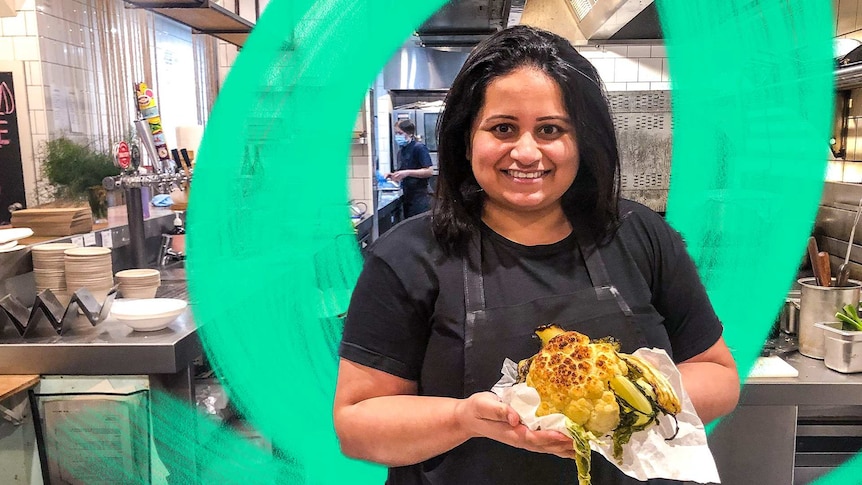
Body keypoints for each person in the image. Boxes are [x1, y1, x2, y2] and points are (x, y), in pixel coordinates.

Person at [334, 25, 739, 485]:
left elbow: (718, 376)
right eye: (503, 128)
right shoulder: (408, 256)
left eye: (550, 130)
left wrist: (620, 403)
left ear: (583, 142)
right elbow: (357, 426)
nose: (526, 153)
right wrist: (462, 419)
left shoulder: (639, 234)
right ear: (467, 138)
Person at [387, 119, 434, 218]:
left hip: (421, 198)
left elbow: (429, 171)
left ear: (410, 133)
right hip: (408, 198)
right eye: (396, 133)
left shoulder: (419, 148)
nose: (397, 136)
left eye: (400, 133)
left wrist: (407, 173)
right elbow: (404, 171)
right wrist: (394, 175)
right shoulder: (401, 152)